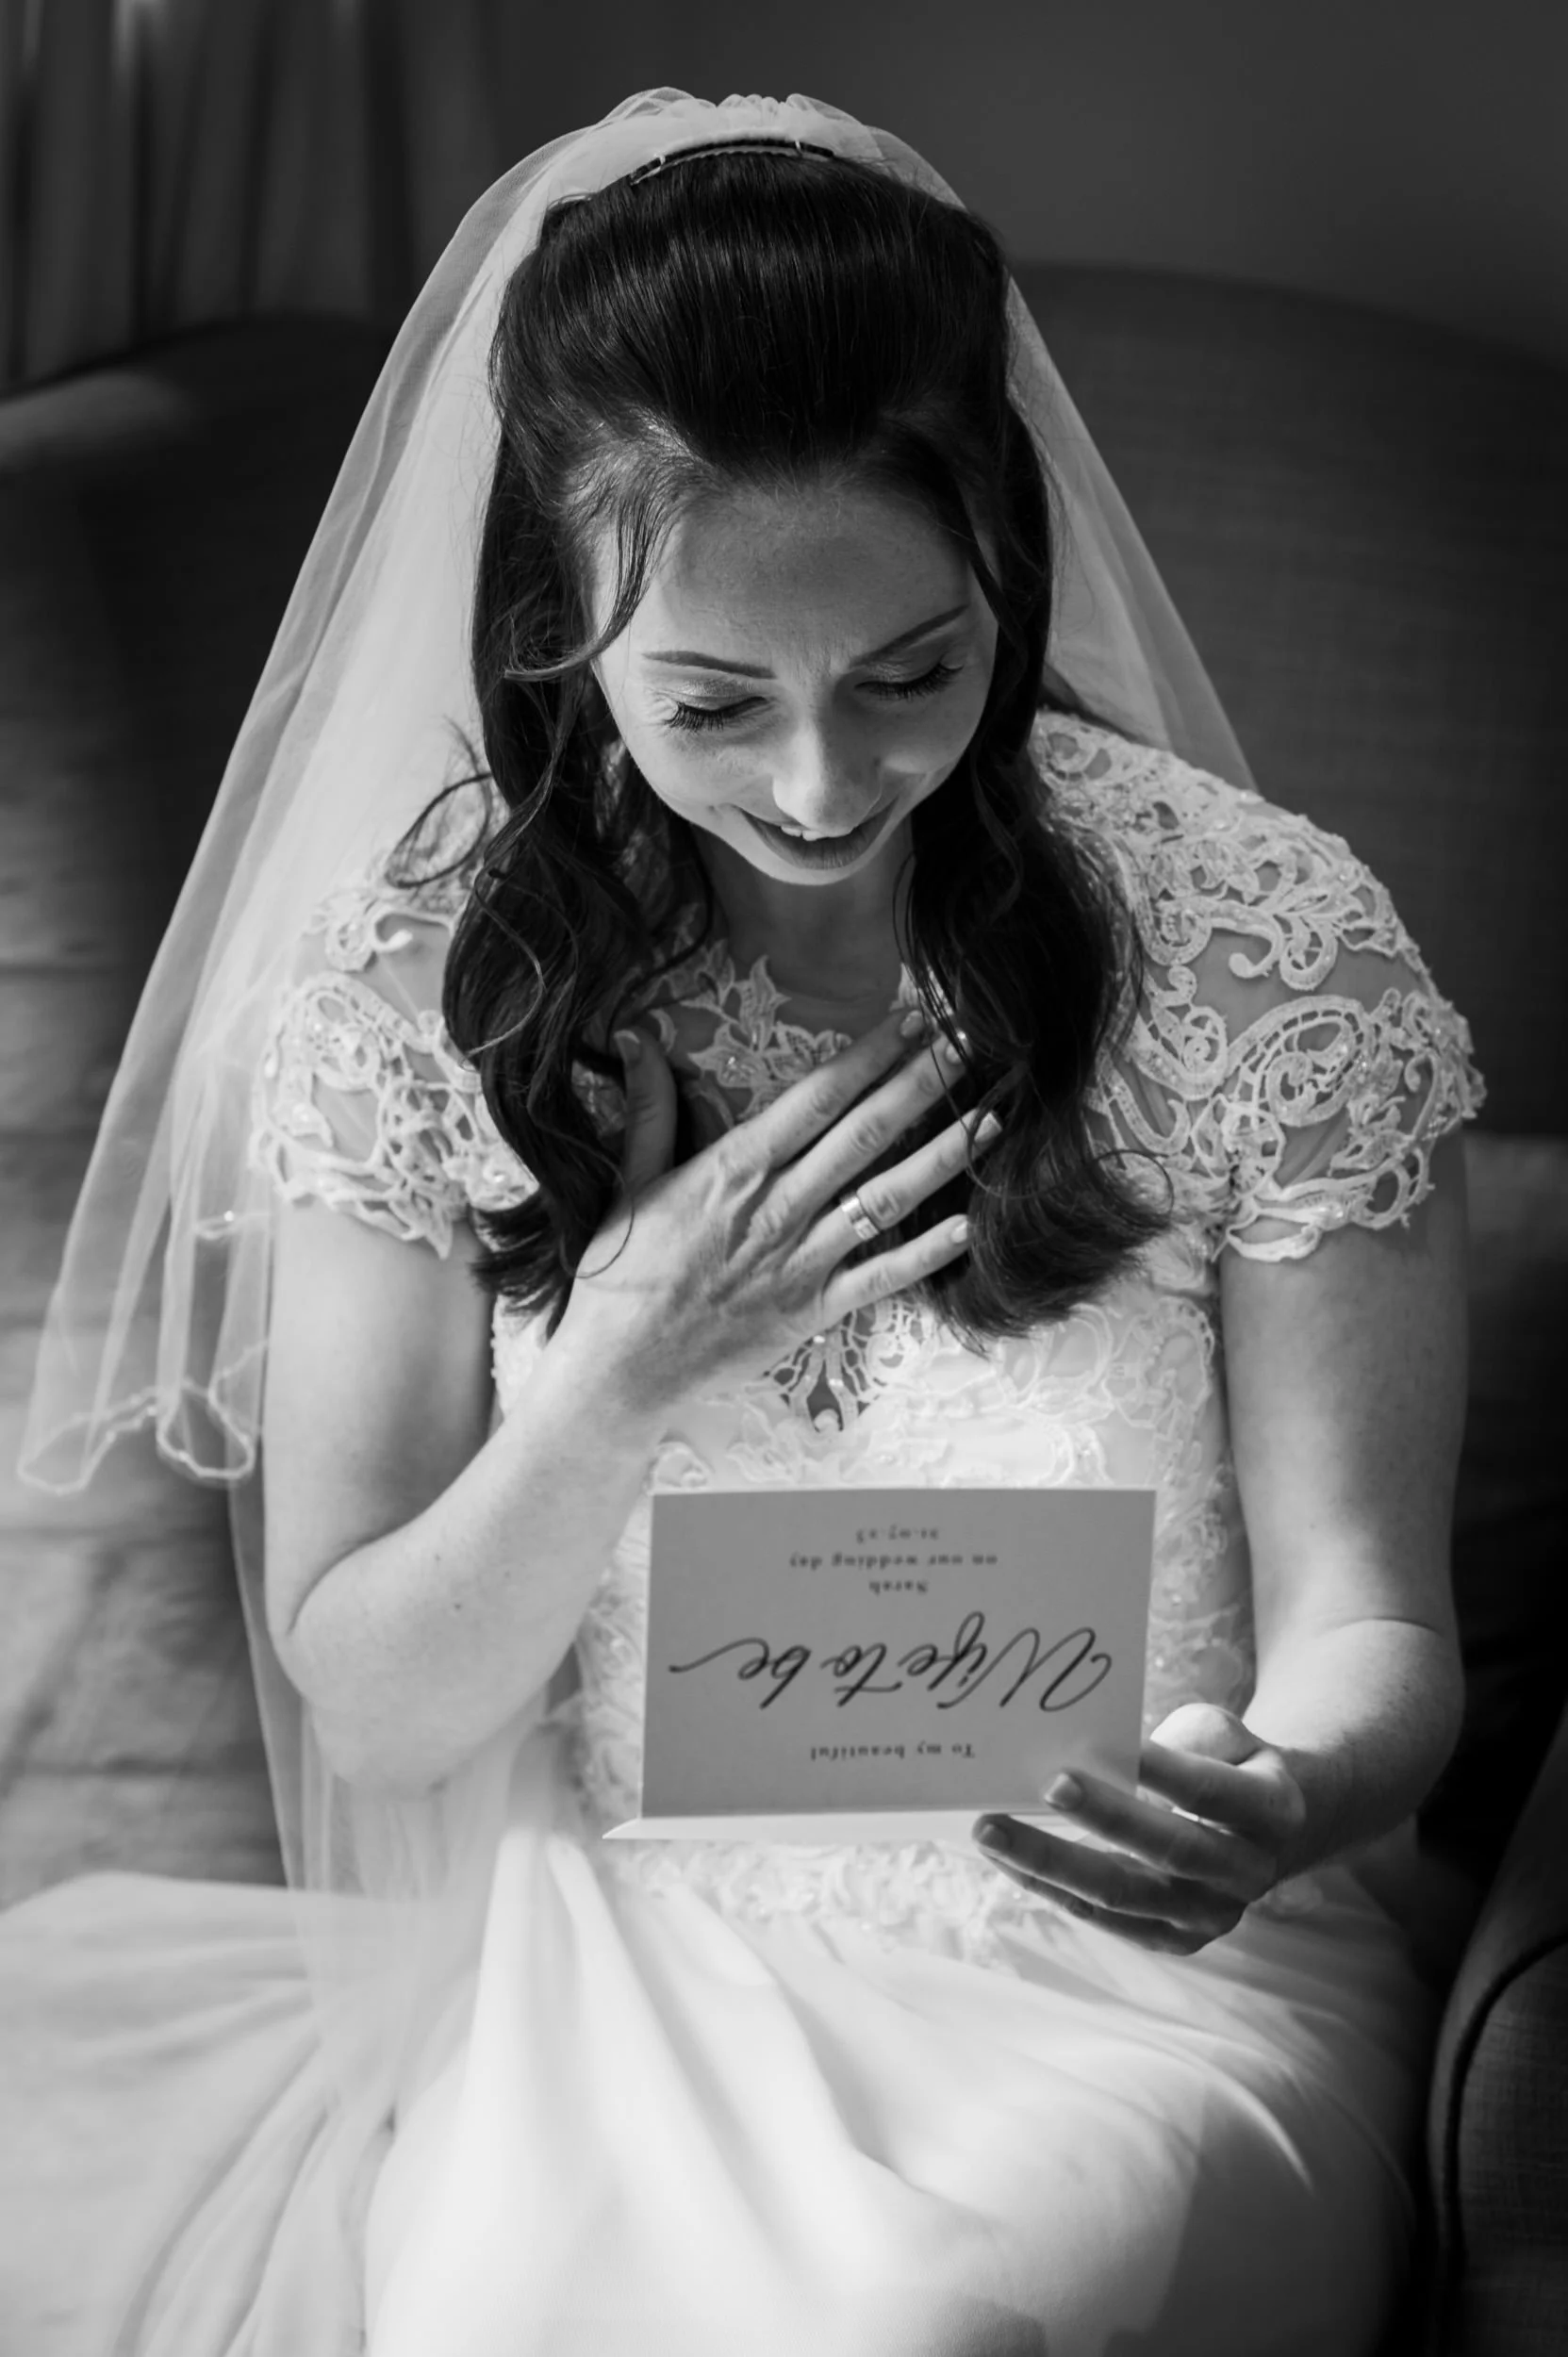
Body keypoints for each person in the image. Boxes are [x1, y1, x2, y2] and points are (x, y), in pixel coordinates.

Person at [3, 87, 1481, 2357]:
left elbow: (1374, 1618)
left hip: (1145, 1982)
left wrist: (1287, 1788)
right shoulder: (425, 987)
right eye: (712, 698)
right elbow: (377, 1705)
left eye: (909, 670)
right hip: (628, 1964)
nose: (818, 780)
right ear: (561, 629)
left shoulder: (1263, 960)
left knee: (924, 2316)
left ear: (1005, 572)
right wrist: (619, 1373)